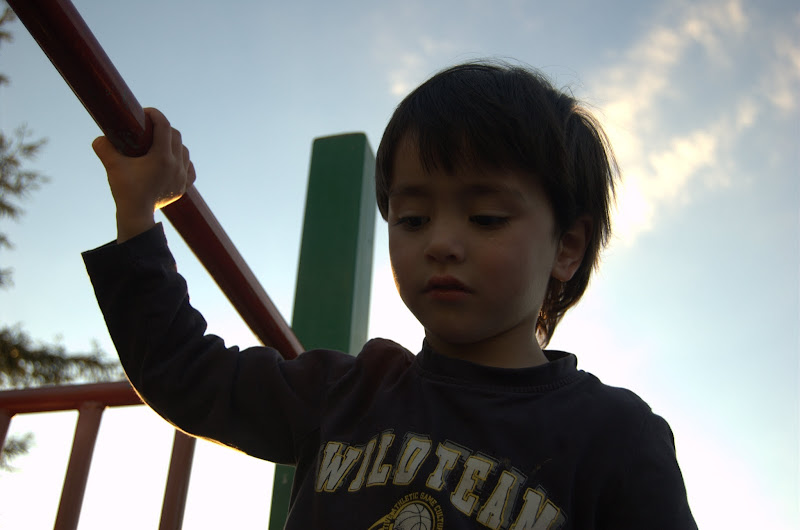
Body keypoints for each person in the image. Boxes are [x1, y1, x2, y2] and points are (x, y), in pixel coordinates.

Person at [83, 61, 697, 529]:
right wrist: (137, 212)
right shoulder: (346, 393)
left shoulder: (615, 437)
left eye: (485, 217)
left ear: (567, 247)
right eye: (412, 219)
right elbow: (184, 373)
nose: (441, 243)